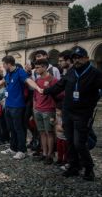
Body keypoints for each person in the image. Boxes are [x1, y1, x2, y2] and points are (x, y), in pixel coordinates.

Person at [43, 46, 102, 181]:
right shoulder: (70, 72)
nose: (77, 60)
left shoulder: (95, 73)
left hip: (83, 114)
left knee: (79, 143)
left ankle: (88, 168)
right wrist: (45, 91)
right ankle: (73, 167)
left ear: (86, 58)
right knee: (70, 141)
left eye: (80, 57)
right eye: (75, 58)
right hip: (68, 112)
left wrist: (93, 101)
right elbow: (59, 86)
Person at [0, 56, 43, 160]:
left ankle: (22, 150)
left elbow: (28, 80)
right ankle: (13, 148)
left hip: (18, 106)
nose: (3, 66)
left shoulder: (20, 72)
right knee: (11, 128)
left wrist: (37, 88)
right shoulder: (8, 73)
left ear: (9, 64)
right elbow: (4, 81)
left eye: (4, 64)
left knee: (19, 129)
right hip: (9, 105)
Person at [32, 59, 58, 165]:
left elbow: (59, 95)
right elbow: (35, 96)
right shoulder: (37, 80)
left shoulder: (53, 79)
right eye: (36, 67)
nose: (36, 69)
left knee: (50, 133)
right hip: (38, 110)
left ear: (45, 67)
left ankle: (50, 155)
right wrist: (34, 108)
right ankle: (44, 153)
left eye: (38, 67)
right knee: (42, 133)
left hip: (48, 110)